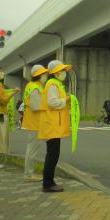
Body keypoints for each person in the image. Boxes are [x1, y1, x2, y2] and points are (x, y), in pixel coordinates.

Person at [39, 60, 73, 192]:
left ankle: (50, 181)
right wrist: (67, 99)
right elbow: (52, 102)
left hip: (53, 124)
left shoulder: (55, 84)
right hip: (52, 124)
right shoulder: (53, 84)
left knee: (53, 154)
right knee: (52, 155)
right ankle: (47, 184)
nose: (64, 73)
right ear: (56, 73)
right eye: (62, 70)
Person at [22, 65, 47, 182]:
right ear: (38, 75)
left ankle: (29, 173)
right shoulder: (35, 88)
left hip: (33, 120)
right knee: (32, 149)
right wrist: (49, 107)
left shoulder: (32, 86)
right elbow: (36, 106)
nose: (45, 76)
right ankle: (29, 174)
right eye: (43, 74)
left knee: (32, 148)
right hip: (35, 121)